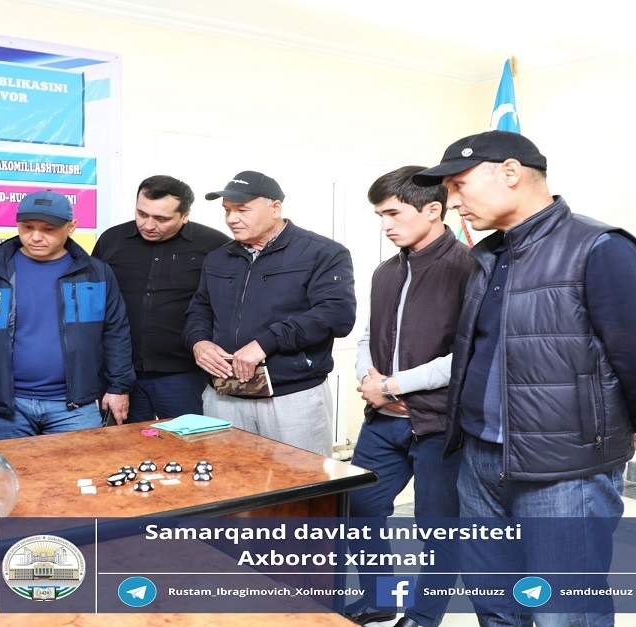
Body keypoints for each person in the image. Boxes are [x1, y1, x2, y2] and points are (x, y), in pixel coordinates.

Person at [412, 131, 636, 626]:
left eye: (458, 184)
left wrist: (616, 425)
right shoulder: (488, 256)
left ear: (510, 172)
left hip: (563, 471)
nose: (450, 201)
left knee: (563, 610)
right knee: (495, 603)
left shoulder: (599, 247)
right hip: (479, 461)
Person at [345, 166, 473, 627]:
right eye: (381, 215)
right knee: (359, 510)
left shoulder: (468, 269)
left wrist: (395, 385)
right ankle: (379, 599)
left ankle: (423, 616)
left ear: (433, 210)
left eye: (393, 213)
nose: (386, 224)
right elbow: (367, 337)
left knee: (436, 530)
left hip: (439, 427)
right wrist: (370, 380)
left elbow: (469, 357)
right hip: (382, 421)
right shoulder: (386, 271)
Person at [185, 170, 356, 457]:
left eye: (242, 209)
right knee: (227, 486)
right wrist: (198, 342)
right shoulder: (217, 258)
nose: (231, 219)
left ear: (275, 208)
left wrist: (266, 342)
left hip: (292, 398)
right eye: (227, 210)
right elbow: (199, 308)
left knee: (302, 487)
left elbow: (336, 315)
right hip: (224, 394)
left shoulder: (323, 253)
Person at [0, 190, 134, 439]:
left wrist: (118, 387)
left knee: (80, 477)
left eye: (48, 229)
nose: (36, 237)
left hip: (75, 409)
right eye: (27, 227)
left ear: (71, 227)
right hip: (5, 409)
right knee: (11, 476)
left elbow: (116, 333)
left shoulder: (96, 273)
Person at [92, 175, 230, 423]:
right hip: (121, 373)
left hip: (184, 374)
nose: (148, 225)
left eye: (161, 219)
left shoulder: (215, 245)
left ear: (185, 215)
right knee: (124, 451)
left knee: (188, 451)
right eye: (142, 214)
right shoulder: (111, 240)